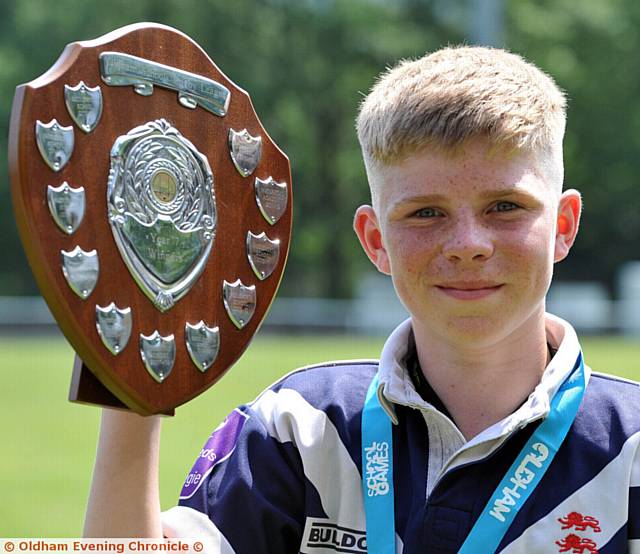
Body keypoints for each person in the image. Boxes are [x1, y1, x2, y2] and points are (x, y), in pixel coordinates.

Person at [84, 46, 640, 553]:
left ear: (564, 225)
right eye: (426, 213)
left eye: (506, 207)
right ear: (376, 241)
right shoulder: (299, 427)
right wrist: (133, 386)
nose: (469, 245)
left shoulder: (630, 451)